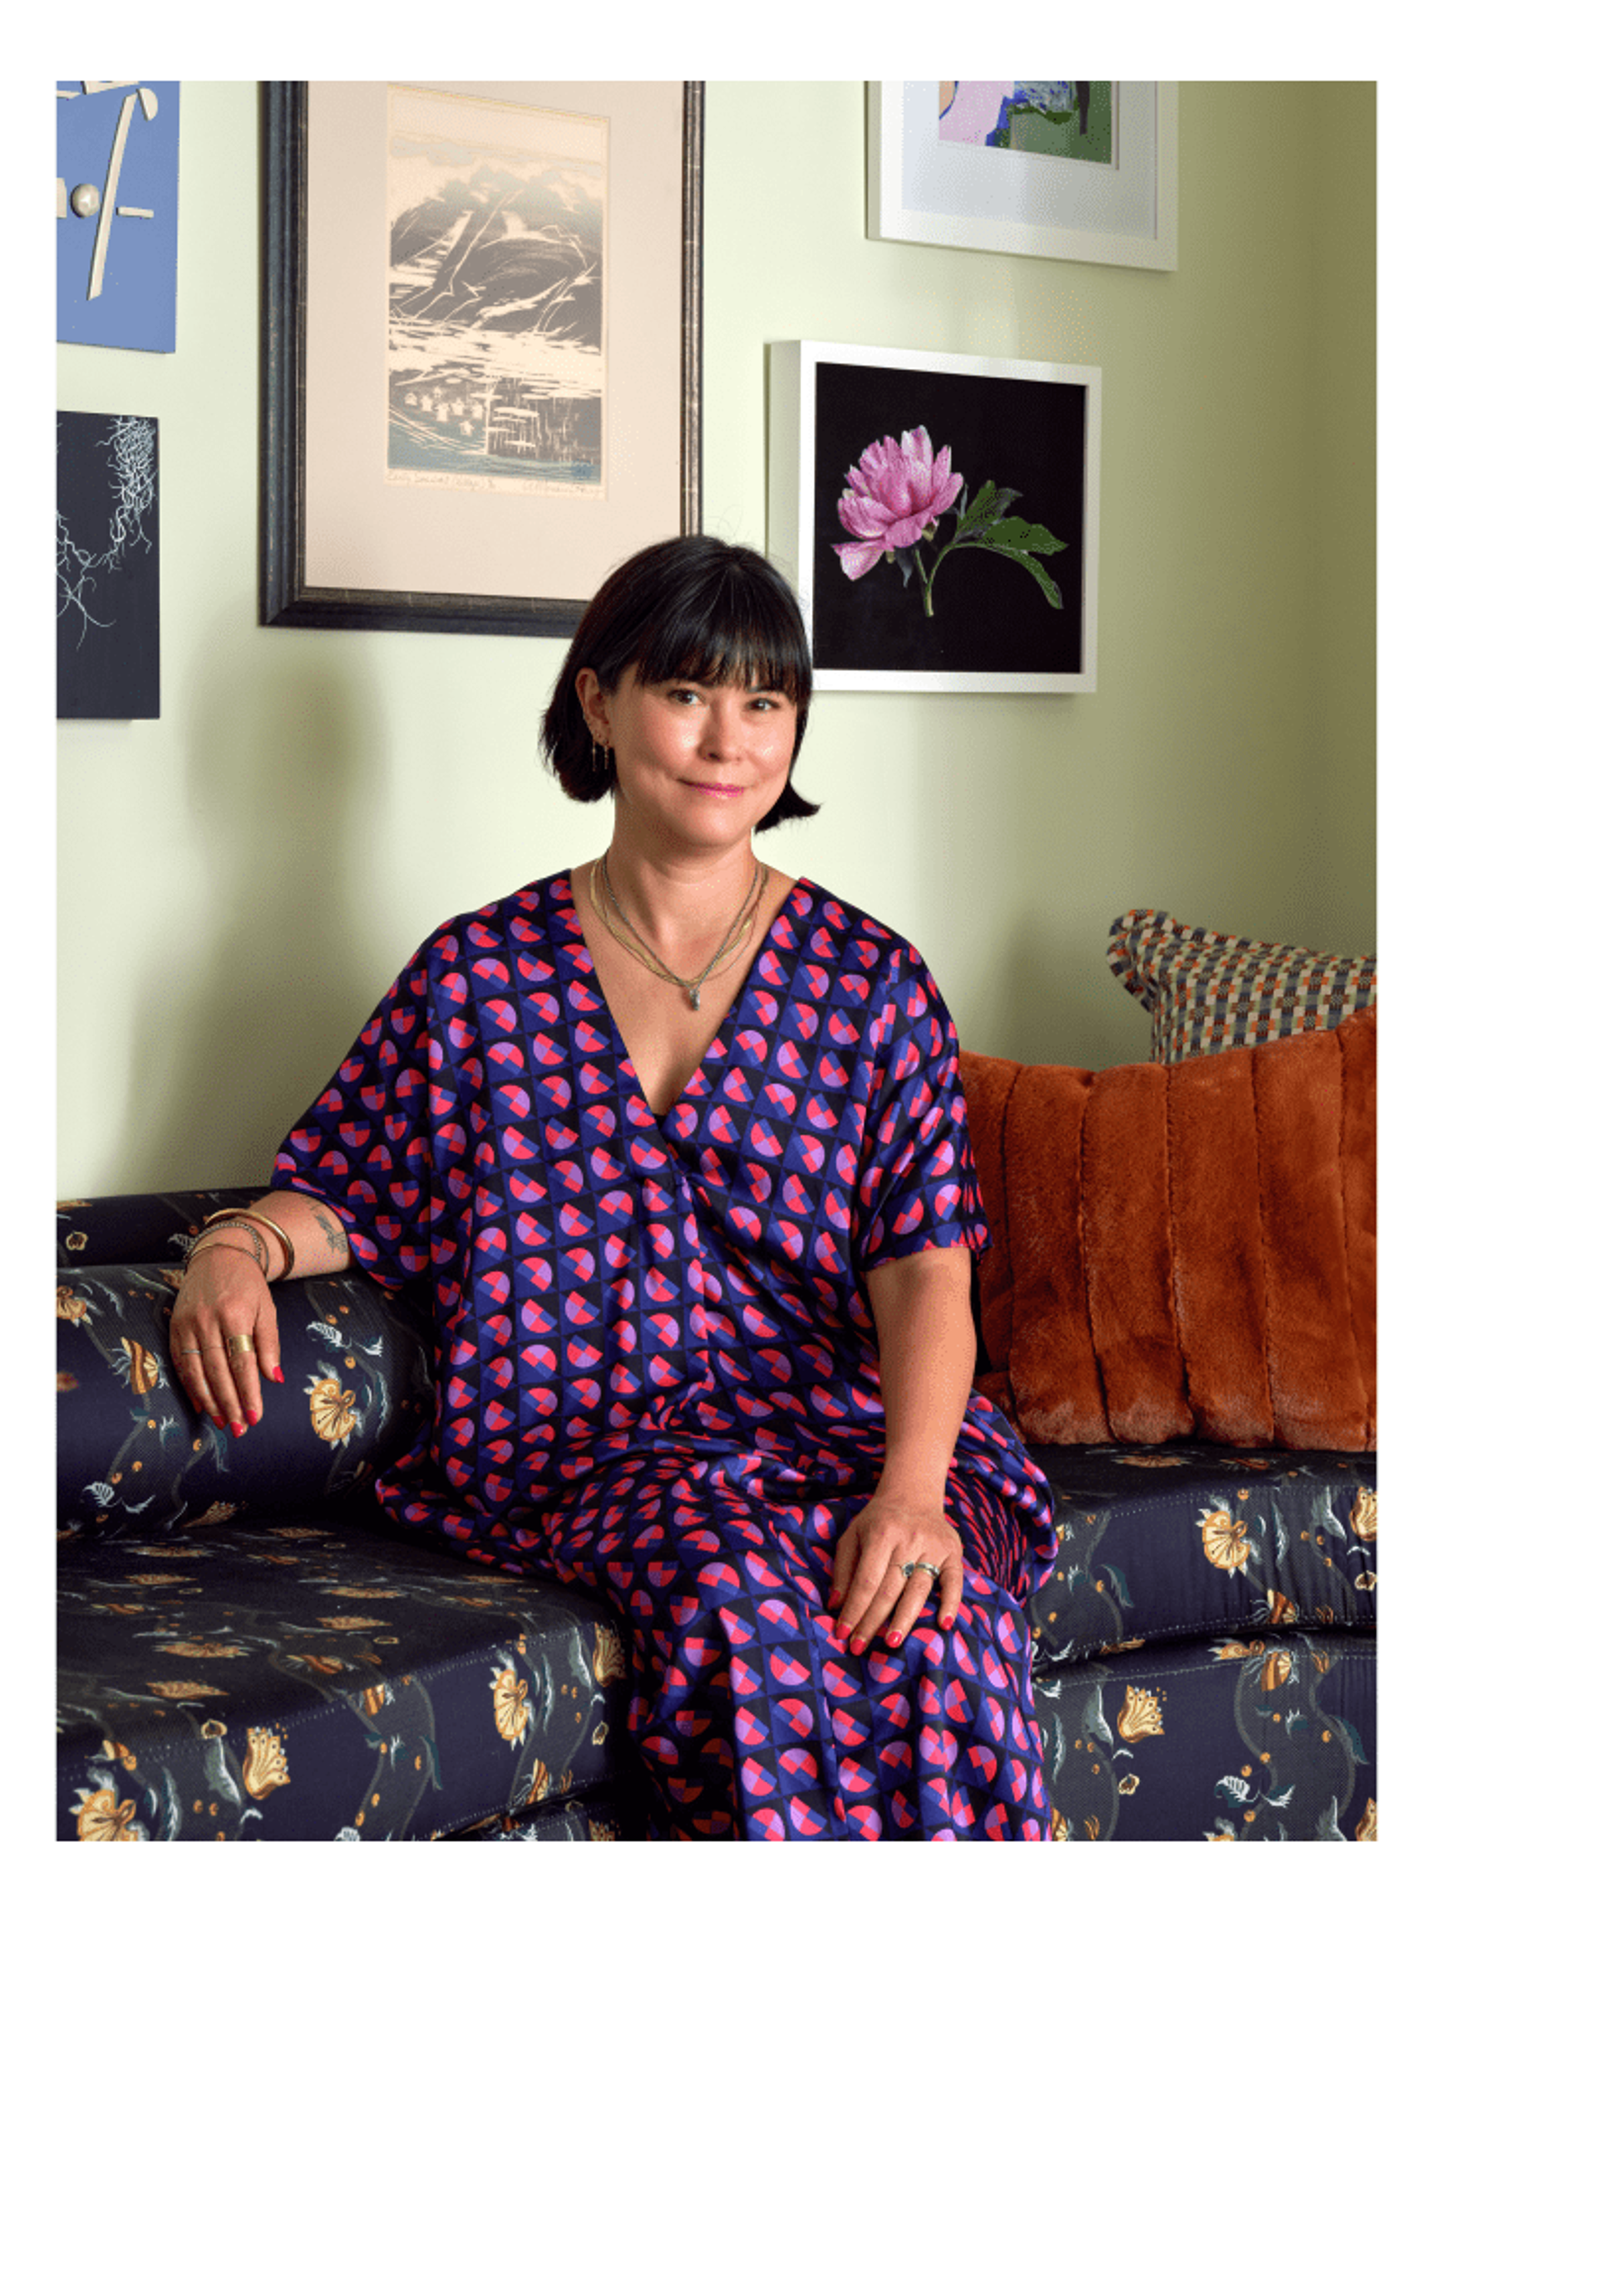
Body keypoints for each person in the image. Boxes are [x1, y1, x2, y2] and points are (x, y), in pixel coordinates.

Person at [166, 536, 1058, 1839]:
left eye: (766, 704)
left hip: (851, 1429)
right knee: (746, 1596)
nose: (728, 741)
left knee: (934, 1616)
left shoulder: (873, 980)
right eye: (688, 693)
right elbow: (355, 1184)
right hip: (598, 1445)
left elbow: (927, 1264)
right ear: (600, 701)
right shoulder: (479, 975)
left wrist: (912, 1494)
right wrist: (237, 1247)